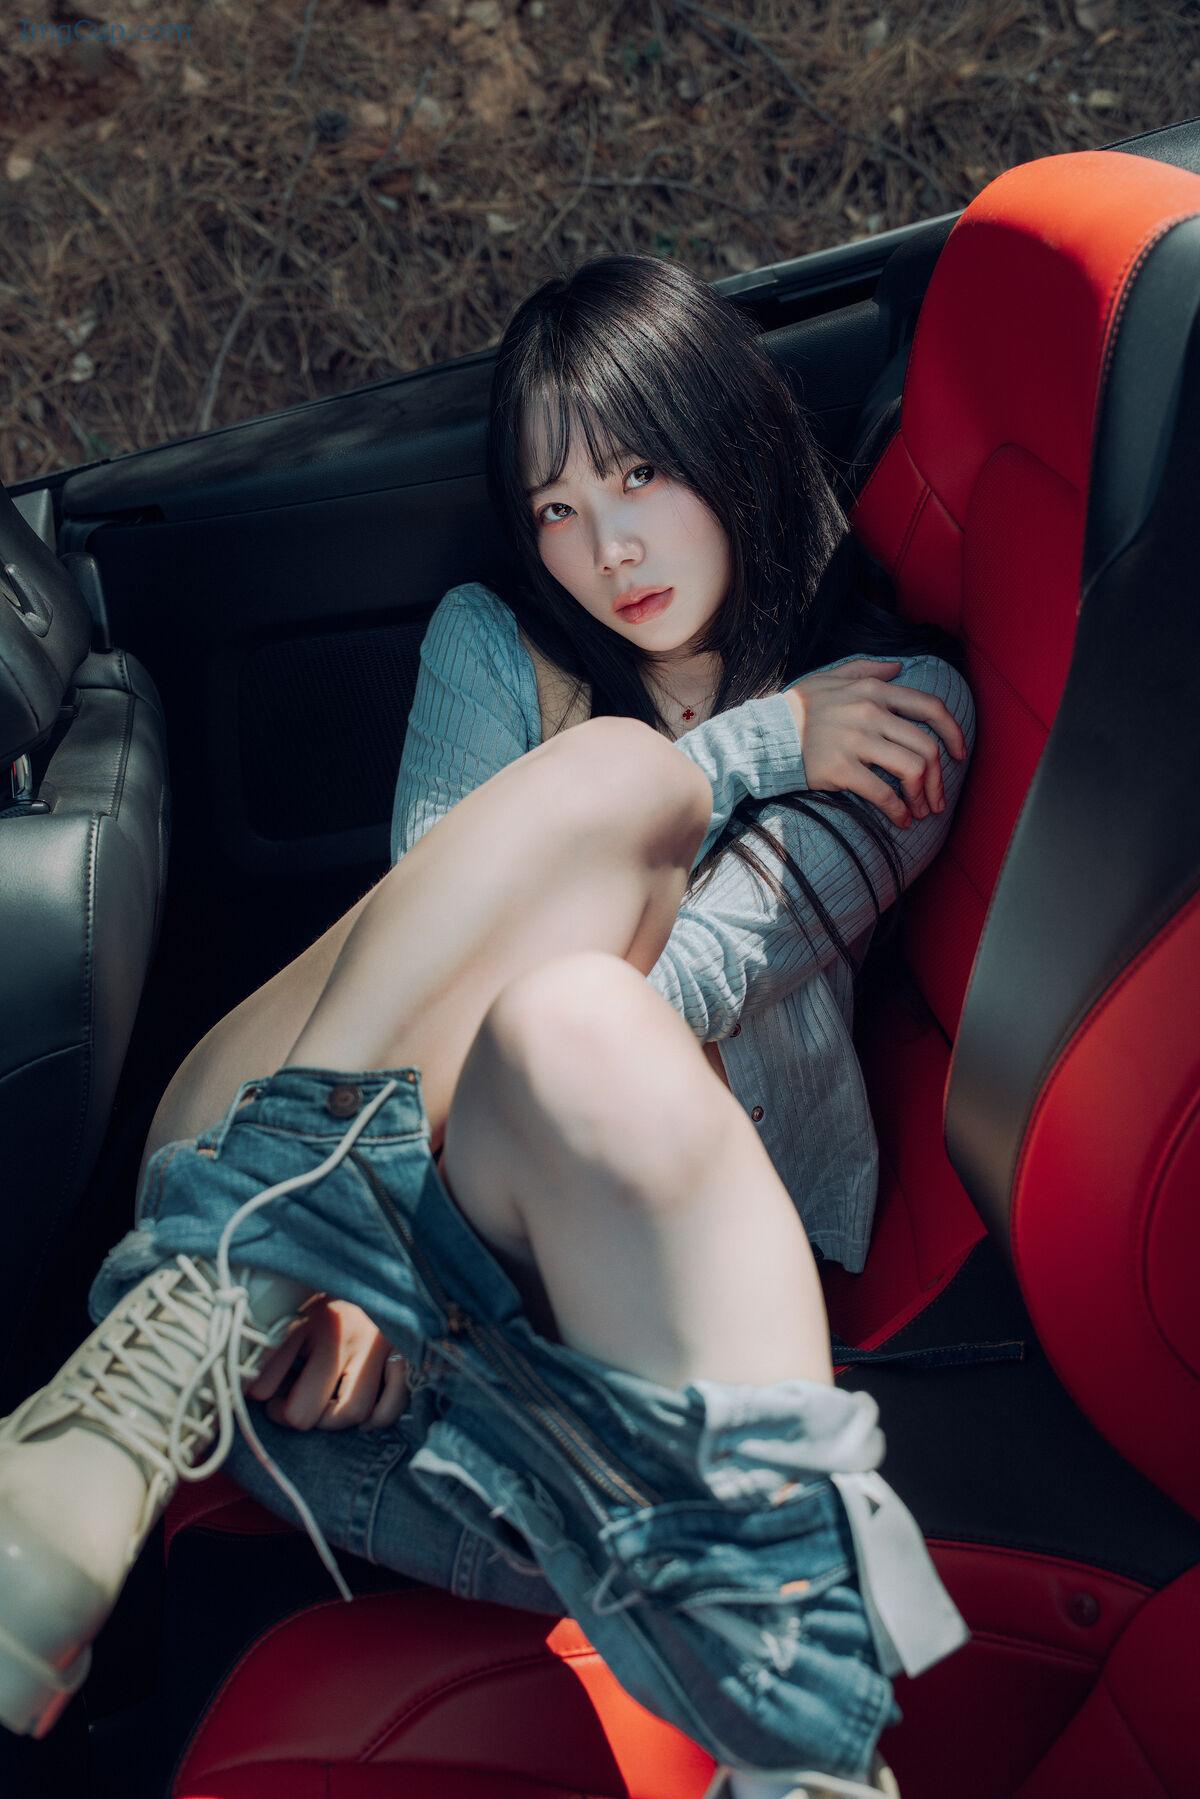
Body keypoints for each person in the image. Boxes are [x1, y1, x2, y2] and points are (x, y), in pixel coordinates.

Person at [0, 255, 975, 1799]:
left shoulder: (896, 699)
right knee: (570, 829)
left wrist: (741, 751)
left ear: (731, 439)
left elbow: (689, 980)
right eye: (557, 509)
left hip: (608, 1300)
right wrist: (759, 745)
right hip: (329, 1334)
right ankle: (222, 1293)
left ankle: (263, 1259)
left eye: (640, 475)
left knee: (585, 956)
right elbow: (432, 940)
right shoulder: (493, 640)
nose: (607, 549)